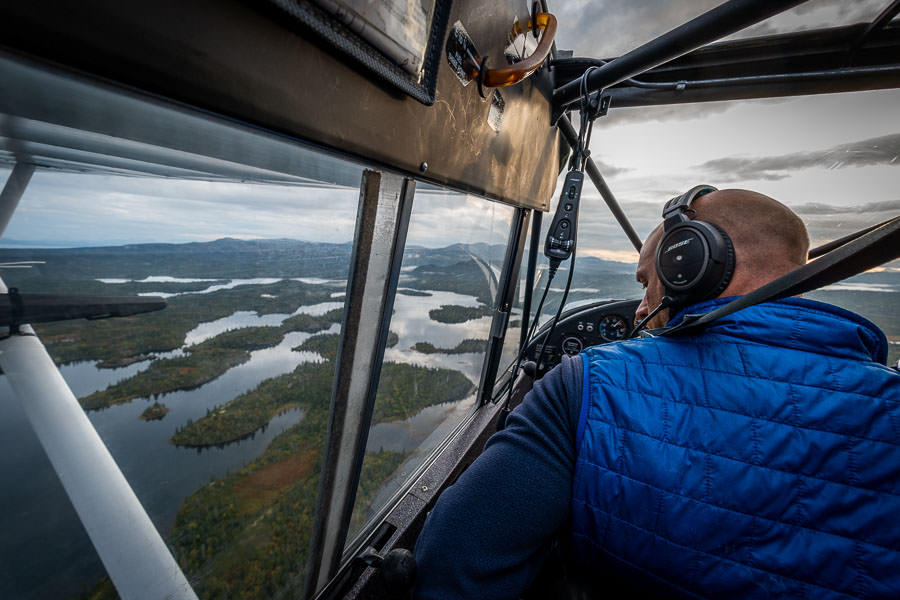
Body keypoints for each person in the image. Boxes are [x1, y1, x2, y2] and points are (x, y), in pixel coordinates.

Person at [411, 188, 900, 599]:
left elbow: (451, 572)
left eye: (649, 281)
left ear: (691, 263)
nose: (643, 308)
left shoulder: (585, 385)